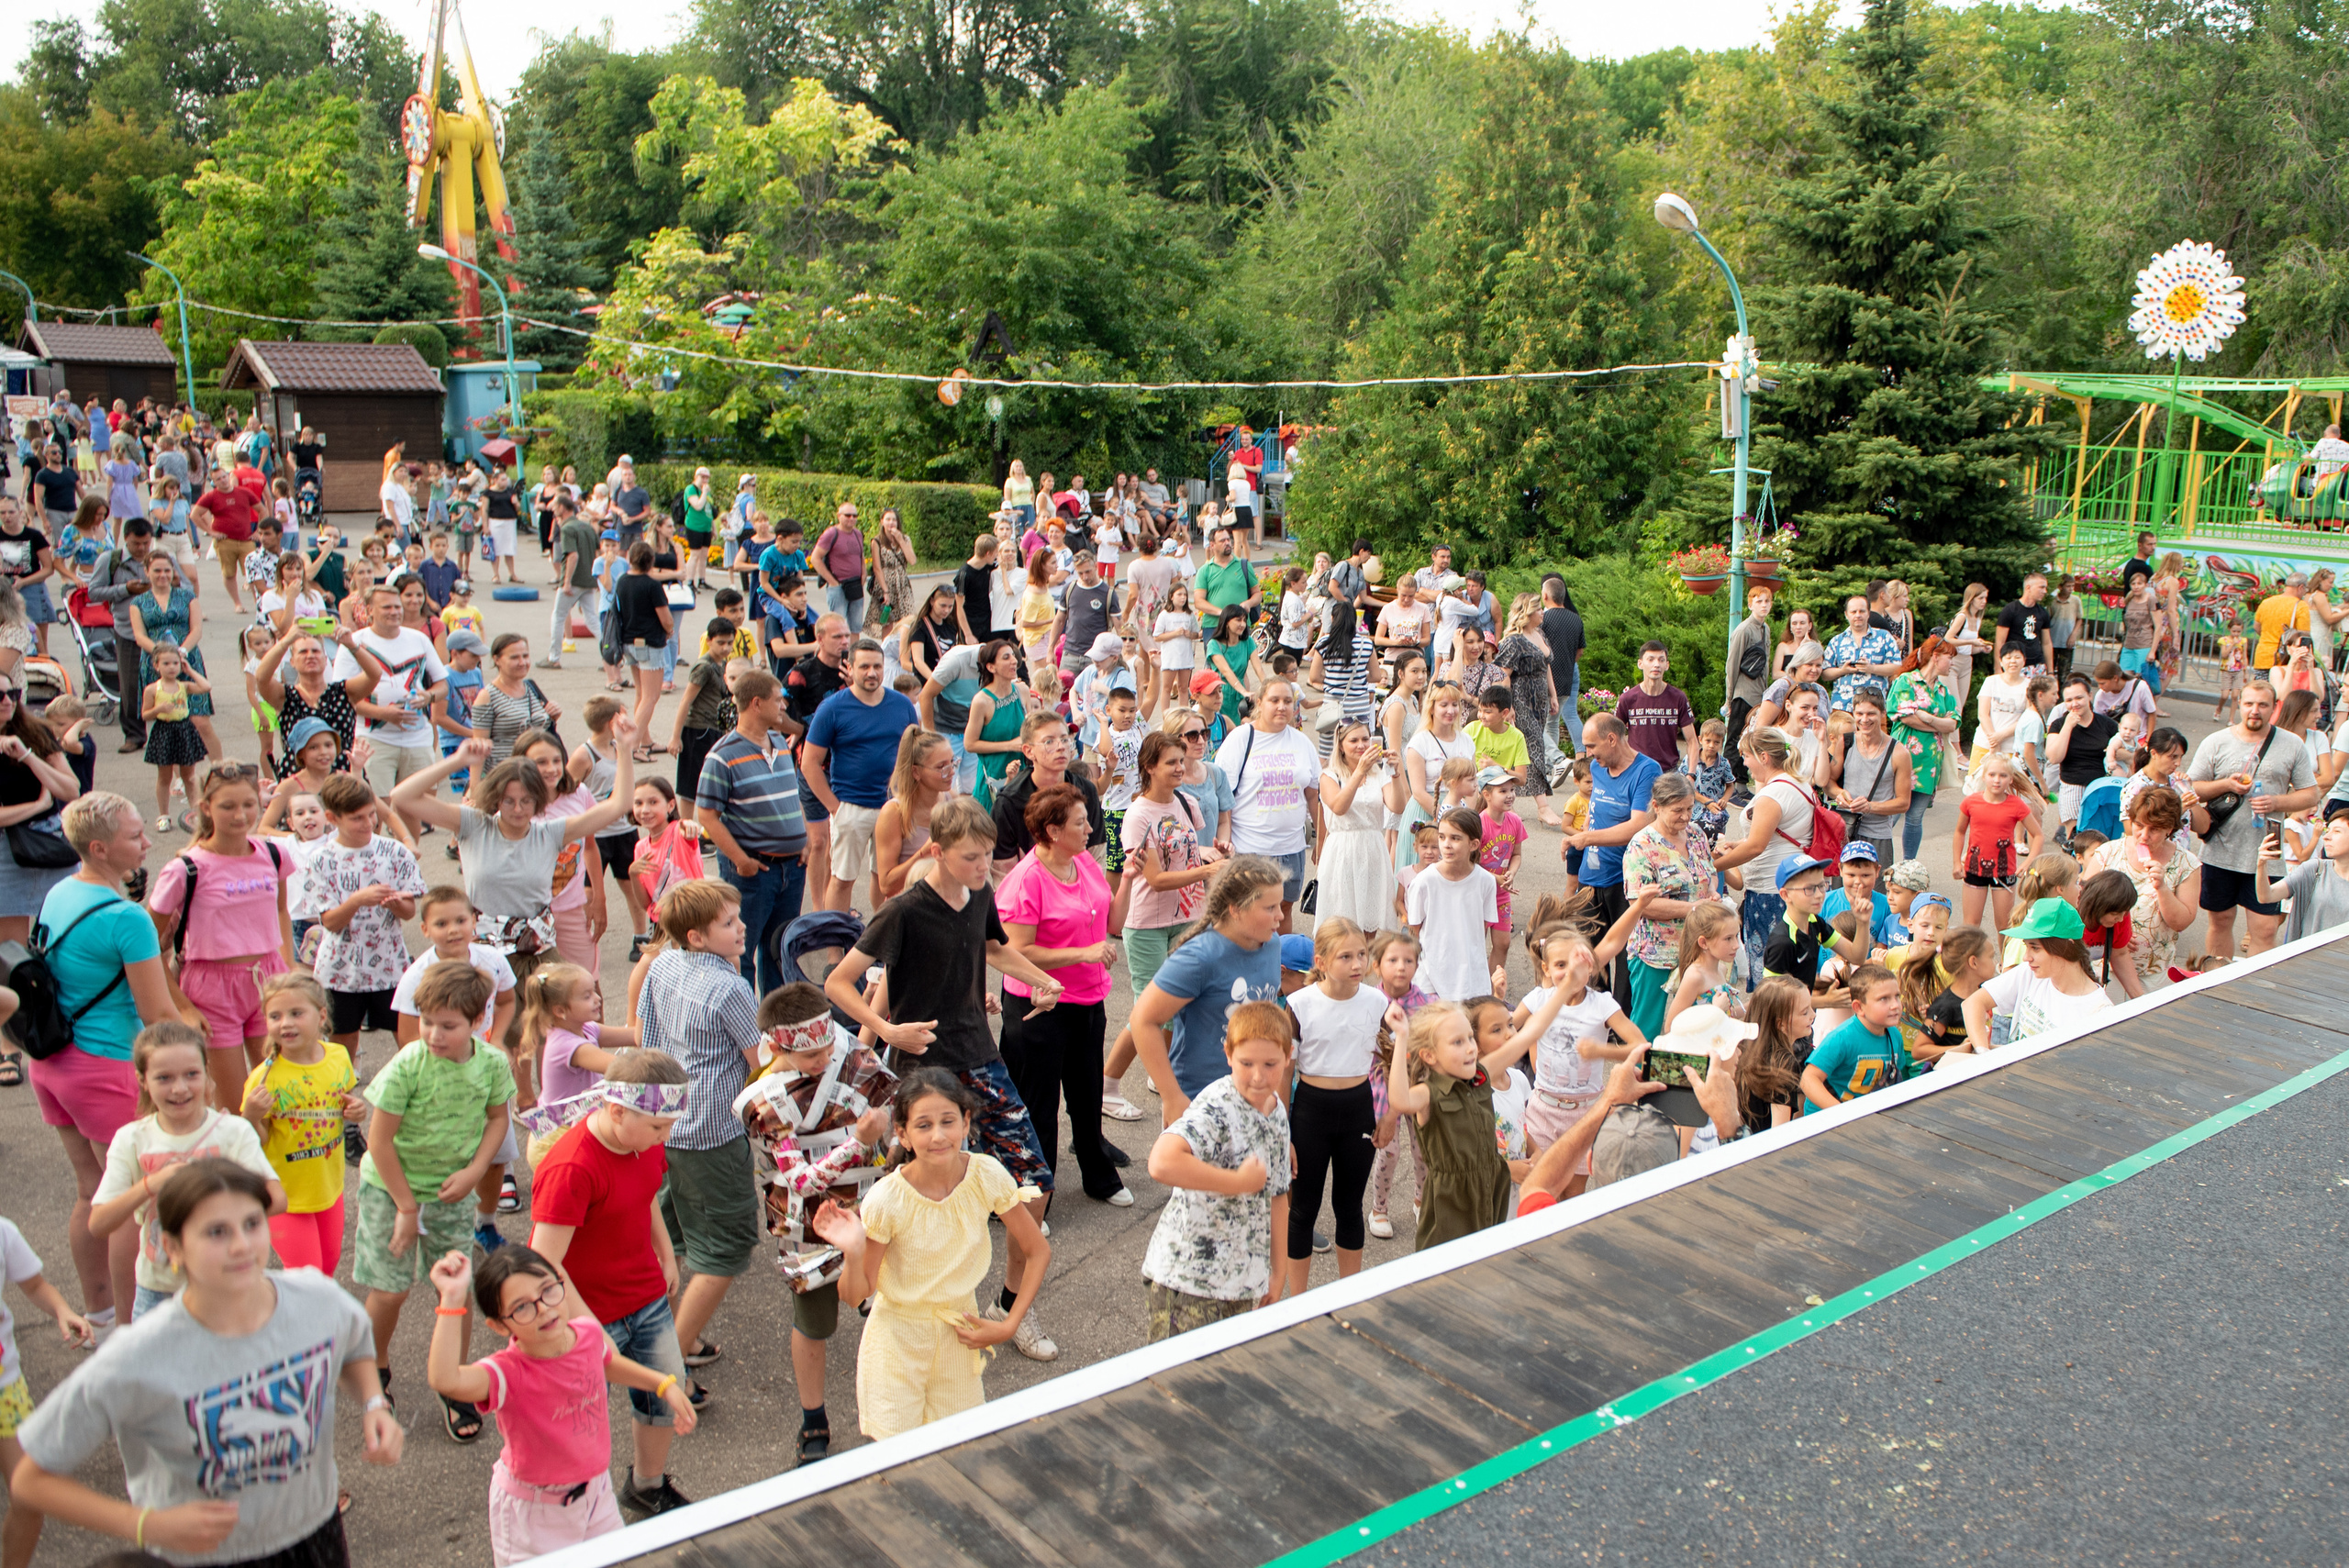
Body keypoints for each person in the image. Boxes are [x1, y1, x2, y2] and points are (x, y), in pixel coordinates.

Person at [13, 1159, 401, 1566]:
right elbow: (30, 1478)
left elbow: (354, 1345)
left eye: (252, 1223)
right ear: (173, 1247)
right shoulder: (138, 1356)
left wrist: (373, 1402)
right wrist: (144, 1525)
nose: (241, 1245)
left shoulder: (316, 1299)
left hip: (315, 1533)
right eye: (217, 1232)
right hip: (205, 1556)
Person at [822, 799, 1068, 1356]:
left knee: (1034, 1185)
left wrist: (1042, 982)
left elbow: (995, 948)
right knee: (900, 1195)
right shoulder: (903, 910)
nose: (985, 868)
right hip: (922, 1069)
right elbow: (838, 982)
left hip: (980, 1057)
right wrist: (888, 1029)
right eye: (971, 858)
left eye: (987, 856)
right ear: (938, 852)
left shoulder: (979, 893)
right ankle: (890, 1300)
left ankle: (1006, 1309)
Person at [810, 1070, 1052, 1438]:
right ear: (902, 1134)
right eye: (923, 1125)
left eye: (947, 1121)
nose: (938, 1135)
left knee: (958, 1453)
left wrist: (1008, 1325)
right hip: (896, 1347)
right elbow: (854, 1295)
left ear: (966, 1121)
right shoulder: (886, 1200)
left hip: (959, 1339)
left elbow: (1037, 1251)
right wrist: (855, 1251)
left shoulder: (987, 1175)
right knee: (897, 1462)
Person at [523, 1049, 698, 1518]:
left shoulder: (646, 1137)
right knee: (576, 1417)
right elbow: (544, 1263)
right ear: (616, 1110)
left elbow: (645, 1200)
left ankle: (647, 1484)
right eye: (659, 1127)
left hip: (644, 1296)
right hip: (585, 1313)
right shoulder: (572, 1168)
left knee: (665, 1390)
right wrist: (588, 1325)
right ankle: (576, 1504)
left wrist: (665, 1254)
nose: (668, 1135)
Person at [29, 795, 178, 1331]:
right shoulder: (126, 919)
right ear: (101, 848)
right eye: (136, 836)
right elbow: (157, 1013)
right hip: (107, 1065)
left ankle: (98, 1315)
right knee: (129, 1205)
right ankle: (131, 1328)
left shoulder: (61, 892)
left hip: (54, 1064)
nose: (146, 842)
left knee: (90, 1191)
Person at [729, 984, 894, 1466]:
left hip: (873, 1205)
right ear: (776, 1047)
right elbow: (799, 1181)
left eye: (830, 1047)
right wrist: (859, 1141)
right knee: (815, 1322)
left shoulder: (849, 1053)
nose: (827, 1059)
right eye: (812, 1054)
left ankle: (890, 1399)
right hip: (809, 1224)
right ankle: (813, 1415)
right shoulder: (762, 1103)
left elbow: (892, 1100)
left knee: (891, 1305)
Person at [997, 784, 1134, 1208]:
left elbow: (1113, 920)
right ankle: (1035, 1194)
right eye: (1080, 822)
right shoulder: (1026, 880)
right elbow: (1016, 951)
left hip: (1088, 999)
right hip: (1040, 1006)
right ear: (1053, 831)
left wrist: (1128, 878)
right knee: (1038, 1104)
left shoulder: (1084, 865)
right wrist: (1084, 953)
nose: (1091, 827)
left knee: (1087, 1091)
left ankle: (1098, 1174)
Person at [1143, 999, 1295, 1337]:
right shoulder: (1217, 1104)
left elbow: (1278, 1196)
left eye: (1271, 1063)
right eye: (1246, 1063)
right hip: (1188, 1282)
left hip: (1241, 1282)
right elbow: (1162, 1161)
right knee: (1180, 1384)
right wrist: (1238, 1182)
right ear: (1228, 1054)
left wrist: (1277, 1269)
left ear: (1288, 1058)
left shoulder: (1277, 1110)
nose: (1258, 1076)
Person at [2187, 681, 2316, 961]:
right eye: (2249, 704)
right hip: (2220, 851)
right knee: (2220, 921)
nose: (2254, 711)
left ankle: (2253, 990)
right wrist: (2225, 785)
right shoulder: (2216, 742)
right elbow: (2191, 787)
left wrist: (2277, 802)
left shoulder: (2292, 744)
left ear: (2274, 708)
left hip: (2267, 853)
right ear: (2240, 704)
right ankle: (2217, 985)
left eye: (2262, 705)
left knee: (2265, 929)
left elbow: (2311, 795)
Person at [300, 773, 424, 1056]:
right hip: (340, 972)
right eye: (357, 818)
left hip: (390, 967)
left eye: (372, 815)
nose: (368, 824)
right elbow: (330, 922)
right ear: (332, 818)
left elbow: (409, 912)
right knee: (342, 1048)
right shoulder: (322, 860)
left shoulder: (393, 852)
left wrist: (394, 903)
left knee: (409, 1045)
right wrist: (357, 900)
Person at [802, 639, 918, 914]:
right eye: (864, 666)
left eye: (877, 666)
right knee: (842, 880)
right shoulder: (832, 708)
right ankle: (835, 951)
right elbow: (809, 763)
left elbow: (916, 754)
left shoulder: (902, 705)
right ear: (850, 668)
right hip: (850, 807)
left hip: (892, 806)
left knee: (887, 882)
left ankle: (880, 944)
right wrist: (835, 808)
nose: (872, 672)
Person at [1214, 680, 1323, 931]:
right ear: (1259, 702)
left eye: (1288, 701)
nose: (1282, 707)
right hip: (1249, 849)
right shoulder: (1240, 739)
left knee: (1283, 910)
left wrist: (1321, 839)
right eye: (1274, 700)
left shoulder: (1301, 742)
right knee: (1248, 913)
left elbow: (1313, 794)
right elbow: (1224, 798)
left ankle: (1280, 968)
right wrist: (1224, 844)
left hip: (1292, 848)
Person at [1562, 715, 1659, 998]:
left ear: (1612, 739)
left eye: (1592, 746)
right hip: (1592, 876)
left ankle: (1621, 1027)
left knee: (1625, 957)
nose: (1588, 754)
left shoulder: (1646, 770)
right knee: (1588, 954)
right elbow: (1596, 814)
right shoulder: (1597, 767)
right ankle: (1593, 1017)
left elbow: (1637, 825)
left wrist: (1587, 838)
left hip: (1624, 877)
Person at [1620, 773, 1720, 1036]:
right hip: (1655, 953)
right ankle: (1640, 1076)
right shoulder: (1641, 846)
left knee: (1694, 1026)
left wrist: (1711, 892)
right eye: (1678, 810)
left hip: (1697, 950)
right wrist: (1693, 909)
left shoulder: (1696, 834)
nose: (1686, 817)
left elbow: (1709, 872)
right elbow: (1640, 903)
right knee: (1647, 1030)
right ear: (1657, 806)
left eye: (1690, 808)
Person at [334, 584, 450, 795]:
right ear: (369, 610)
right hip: (373, 740)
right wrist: (383, 714)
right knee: (376, 807)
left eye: (397, 607)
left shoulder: (419, 639)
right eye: (386, 607)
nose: (394, 612)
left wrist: (429, 696)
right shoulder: (355, 643)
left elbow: (443, 685)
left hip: (418, 738)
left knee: (419, 804)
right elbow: (342, 698)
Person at [1959, 898, 2113, 1050]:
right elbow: (1972, 1004)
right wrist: (1982, 1053)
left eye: (2035, 948)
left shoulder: (2099, 1011)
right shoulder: (2029, 972)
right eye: (2026, 946)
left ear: (2066, 947)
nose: (2026, 957)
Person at [1886, 638, 1959, 861]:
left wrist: (1927, 717)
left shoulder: (1943, 690)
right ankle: (1878, 859)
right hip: (1904, 757)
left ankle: (1908, 864)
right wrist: (1937, 722)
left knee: (1915, 817)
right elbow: (1904, 717)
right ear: (1936, 657)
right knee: (1892, 813)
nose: (1952, 663)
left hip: (1930, 763)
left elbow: (1954, 722)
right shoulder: (1906, 681)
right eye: (1950, 658)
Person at [1800, 962, 1907, 1112]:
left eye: (1897, 996)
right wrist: (1843, 1114)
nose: (1895, 1005)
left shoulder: (1894, 1036)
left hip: (1867, 1117)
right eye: (1884, 999)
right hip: (1829, 1122)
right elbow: (1808, 1079)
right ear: (1859, 1007)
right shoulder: (1842, 1038)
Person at [1822, 689, 1912, 866]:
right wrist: (1839, 794)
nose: (1864, 719)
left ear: (1883, 714)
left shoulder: (1899, 752)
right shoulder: (1845, 742)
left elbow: (1903, 802)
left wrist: (1870, 806)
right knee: (1842, 889)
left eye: (1871, 713)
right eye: (1859, 714)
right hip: (1844, 828)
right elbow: (1829, 783)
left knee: (1876, 891)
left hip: (1878, 834)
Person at [1955, 752, 2039, 931]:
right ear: (1984, 776)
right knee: (1971, 924)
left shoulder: (2016, 805)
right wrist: (1956, 862)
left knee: (2004, 926)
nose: (1997, 780)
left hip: (2004, 871)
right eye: (1992, 775)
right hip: (1973, 869)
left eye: (2003, 775)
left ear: (2011, 779)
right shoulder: (1971, 802)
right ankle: (1968, 958)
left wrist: (2029, 861)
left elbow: (2037, 835)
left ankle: (2004, 960)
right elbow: (1960, 831)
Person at [1822, 594, 1903, 711]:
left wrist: (1872, 669)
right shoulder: (1836, 641)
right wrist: (1842, 671)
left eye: (1862, 611)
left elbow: (1897, 667)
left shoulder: (1884, 637)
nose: (1858, 615)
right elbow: (1825, 674)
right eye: (1853, 612)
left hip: (1874, 708)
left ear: (1868, 613)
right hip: (1843, 707)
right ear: (1846, 614)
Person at [809, 501, 867, 628]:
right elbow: (815, 558)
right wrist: (832, 581)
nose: (851, 518)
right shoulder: (831, 534)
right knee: (837, 625)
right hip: (838, 587)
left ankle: (854, 648)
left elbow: (860, 554)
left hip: (855, 585)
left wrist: (864, 572)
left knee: (856, 626)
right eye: (847, 515)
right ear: (839, 516)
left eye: (854, 516)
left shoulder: (857, 534)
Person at [1993, 573, 2054, 675]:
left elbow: (2046, 643)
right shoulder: (2011, 610)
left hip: (2037, 665)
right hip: (2014, 665)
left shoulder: (2043, 612)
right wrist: (1998, 668)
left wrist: (2051, 672)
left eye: (2045, 588)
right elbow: (2000, 642)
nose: (2045, 591)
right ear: (2028, 587)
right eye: (2041, 587)